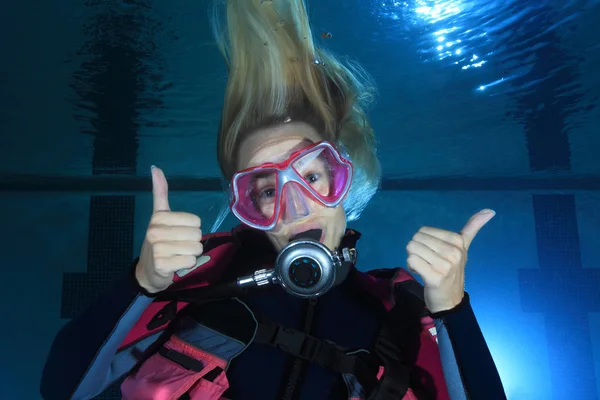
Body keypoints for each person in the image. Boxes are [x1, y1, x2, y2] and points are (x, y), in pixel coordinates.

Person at [40, 0, 507, 399]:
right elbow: (63, 389)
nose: (297, 205)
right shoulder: (196, 285)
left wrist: (452, 309)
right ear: (246, 208)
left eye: (311, 175)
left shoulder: (401, 310)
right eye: (266, 189)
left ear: (342, 177)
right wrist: (140, 283)